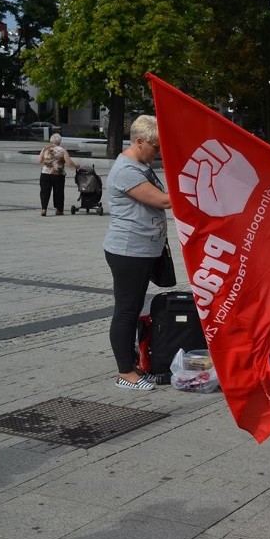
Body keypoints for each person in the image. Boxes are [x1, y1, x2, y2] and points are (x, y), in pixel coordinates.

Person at [102, 115, 171, 390]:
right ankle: (125, 373)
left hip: (142, 250)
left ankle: (135, 366)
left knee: (132, 309)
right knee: (126, 311)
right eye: (155, 147)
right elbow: (163, 200)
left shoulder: (140, 165)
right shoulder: (127, 170)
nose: (158, 152)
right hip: (128, 251)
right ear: (139, 141)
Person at [38, 133, 79, 216]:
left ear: (51, 140)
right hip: (58, 174)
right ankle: (59, 210)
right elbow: (69, 162)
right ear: (59, 141)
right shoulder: (62, 150)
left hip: (45, 174)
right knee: (58, 192)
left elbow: (39, 160)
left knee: (44, 192)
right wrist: (75, 166)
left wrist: (46, 163)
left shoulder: (45, 149)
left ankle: (44, 209)